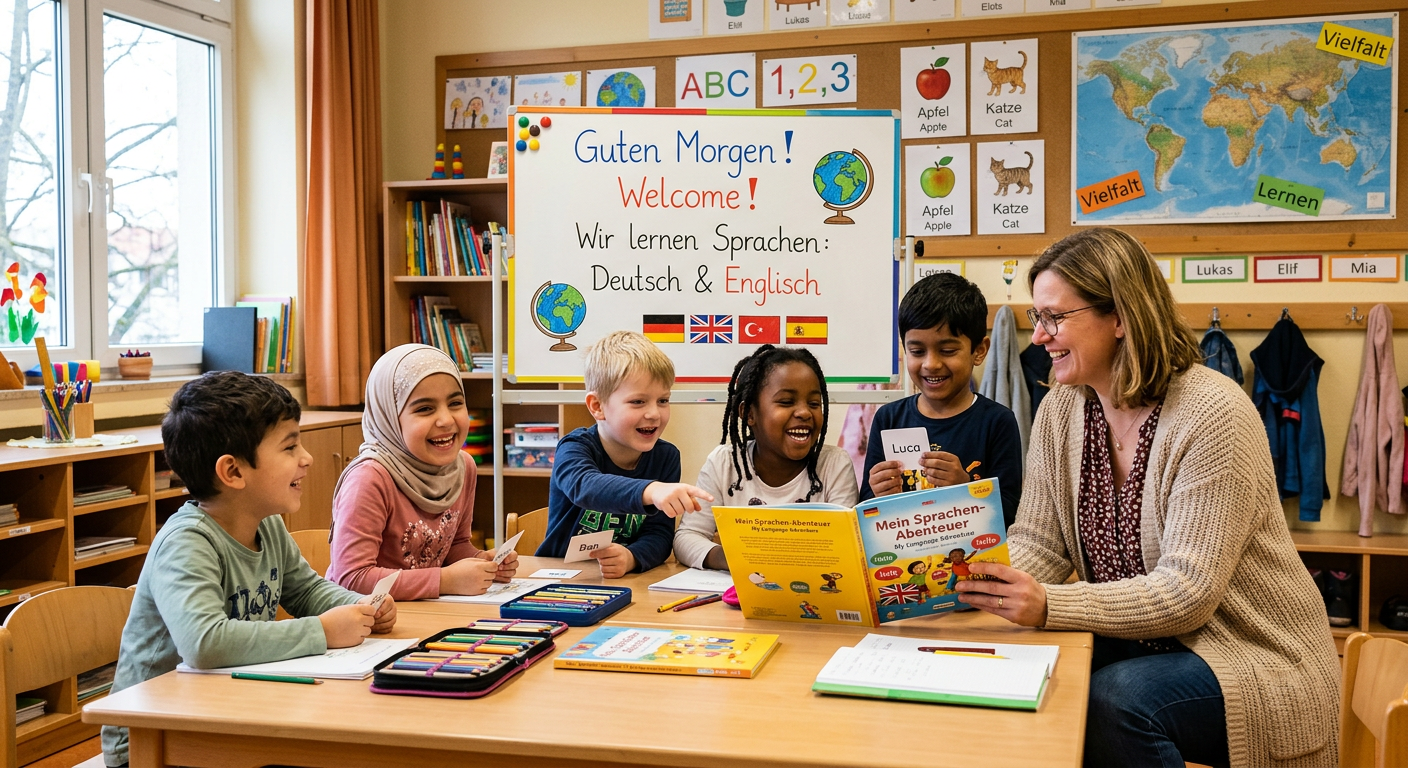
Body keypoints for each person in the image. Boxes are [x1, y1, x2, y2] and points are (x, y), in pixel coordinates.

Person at [955, 228, 1339, 767]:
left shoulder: (1213, 414)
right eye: (1037, 317)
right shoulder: (1062, 408)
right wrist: (970, 578)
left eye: (1054, 317)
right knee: (1017, 676)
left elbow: (1187, 593)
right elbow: (1039, 543)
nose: (1038, 337)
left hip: (1254, 658)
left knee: (1115, 702)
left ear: (1120, 317)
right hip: (1142, 646)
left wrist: (1048, 604)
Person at [102, 373, 397, 767]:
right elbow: (205, 643)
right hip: (150, 739)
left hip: (224, 713)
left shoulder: (267, 523)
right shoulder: (186, 542)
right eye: (290, 446)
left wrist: (361, 606)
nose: (307, 458)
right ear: (234, 472)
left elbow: (307, 591)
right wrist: (322, 631)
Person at [328, 344, 515, 601]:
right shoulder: (369, 479)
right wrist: (445, 580)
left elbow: (454, 546)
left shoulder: (463, 467)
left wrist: (482, 562)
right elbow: (351, 578)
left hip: (425, 612)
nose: (446, 420)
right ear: (389, 417)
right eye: (425, 409)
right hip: (365, 617)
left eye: (455, 403)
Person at [536, 331, 712, 577]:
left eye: (663, 400)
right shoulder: (574, 447)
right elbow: (585, 486)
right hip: (559, 576)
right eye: (638, 402)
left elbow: (659, 534)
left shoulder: (666, 457)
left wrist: (632, 557)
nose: (654, 413)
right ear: (597, 406)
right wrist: (651, 490)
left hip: (624, 581)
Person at [860, 272, 1024, 527]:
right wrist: (877, 495)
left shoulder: (997, 421)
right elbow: (866, 510)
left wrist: (965, 489)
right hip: (903, 548)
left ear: (979, 351)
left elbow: (1011, 514)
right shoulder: (888, 418)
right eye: (917, 351)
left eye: (947, 350)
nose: (931, 364)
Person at [674, 346, 859, 571]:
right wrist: (734, 558)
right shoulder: (724, 463)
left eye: (814, 403)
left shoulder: (835, 464)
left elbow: (844, 544)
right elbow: (687, 536)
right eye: (786, 402)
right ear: (749, 414)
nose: (804, 412)